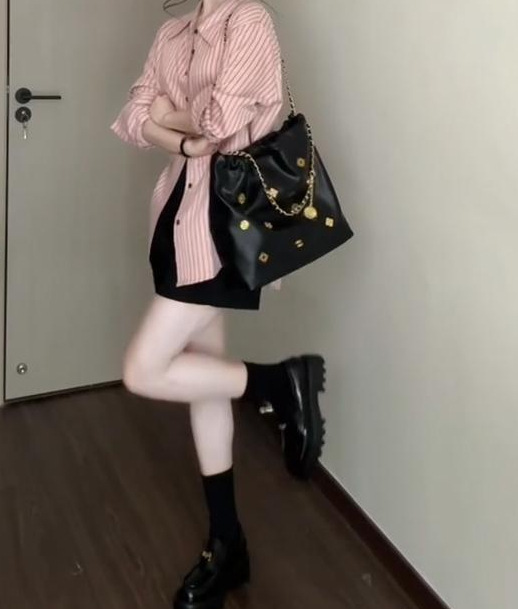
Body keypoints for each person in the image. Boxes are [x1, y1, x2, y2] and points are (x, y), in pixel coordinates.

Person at [111, 1, 326, 607]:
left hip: (226, 230)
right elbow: (132, 116)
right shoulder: (173, 30)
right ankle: (227, 542)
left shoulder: (248, 20)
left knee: (143, 370)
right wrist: (176, 137)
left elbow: (221, 122)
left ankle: (279, 383)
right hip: (178, 221)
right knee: (204, 383)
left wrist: (166, 116)